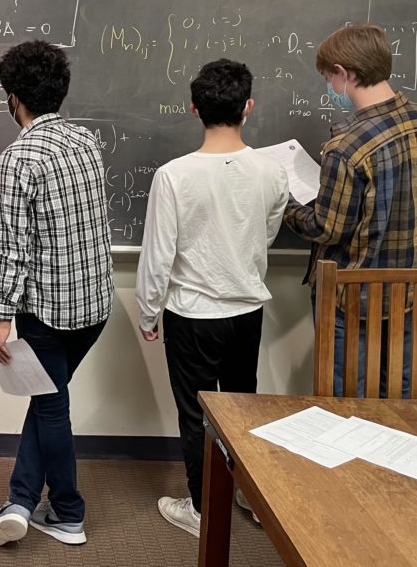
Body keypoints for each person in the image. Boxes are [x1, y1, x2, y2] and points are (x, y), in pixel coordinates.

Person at [0, 40, 113, 548]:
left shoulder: (22, 158)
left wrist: (3, 317)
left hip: (48, 312)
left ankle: (68, 513)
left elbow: (15, 249)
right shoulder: (84, 141)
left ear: (12, 99)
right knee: (48, 399)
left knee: (50, 407)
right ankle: (22, 502)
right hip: (94, 306)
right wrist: (0, 169)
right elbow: (54, 197)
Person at [134, 59, 288, 537]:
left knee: (196, 414)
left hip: (192, 313)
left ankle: (202, 511)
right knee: (243, 406)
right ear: (249, 107)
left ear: (194, 108)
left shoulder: (174, 175)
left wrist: (147, 309)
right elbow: (267, 232)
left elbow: (159, 253)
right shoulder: (271, 170)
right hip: (246, 309)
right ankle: (250, 496)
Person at [284, 23, 417, 397]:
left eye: (329, 77)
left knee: (348, 403)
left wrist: (286, 204)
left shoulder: (346, 145)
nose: (329, 87)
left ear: (344, 74)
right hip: (408, 290)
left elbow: (328, 228)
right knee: (398, 396)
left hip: (351, 296)